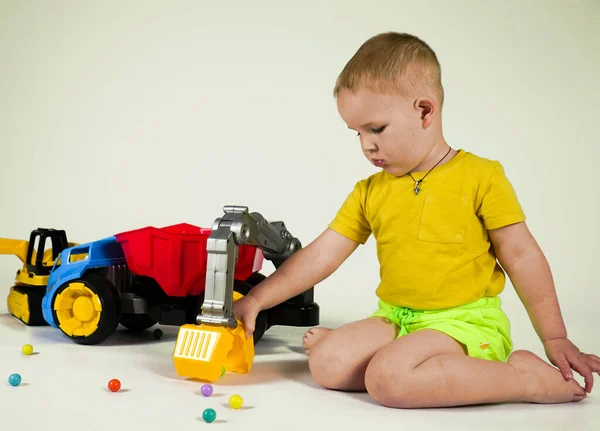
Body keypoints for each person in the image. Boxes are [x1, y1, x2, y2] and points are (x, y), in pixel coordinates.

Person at [232, 31, 600, 408]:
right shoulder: (369, 191)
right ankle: (392, 360)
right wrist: (257, 299)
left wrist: (554, 337)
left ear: (425, 111)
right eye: (356, 133)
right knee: (326, 365)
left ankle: (523, 379)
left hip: (463, 323)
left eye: (376, 129)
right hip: (396, 317)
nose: (366, 145)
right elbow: (321, 255)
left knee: (388, 380)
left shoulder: (482, 177)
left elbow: (522, 257)